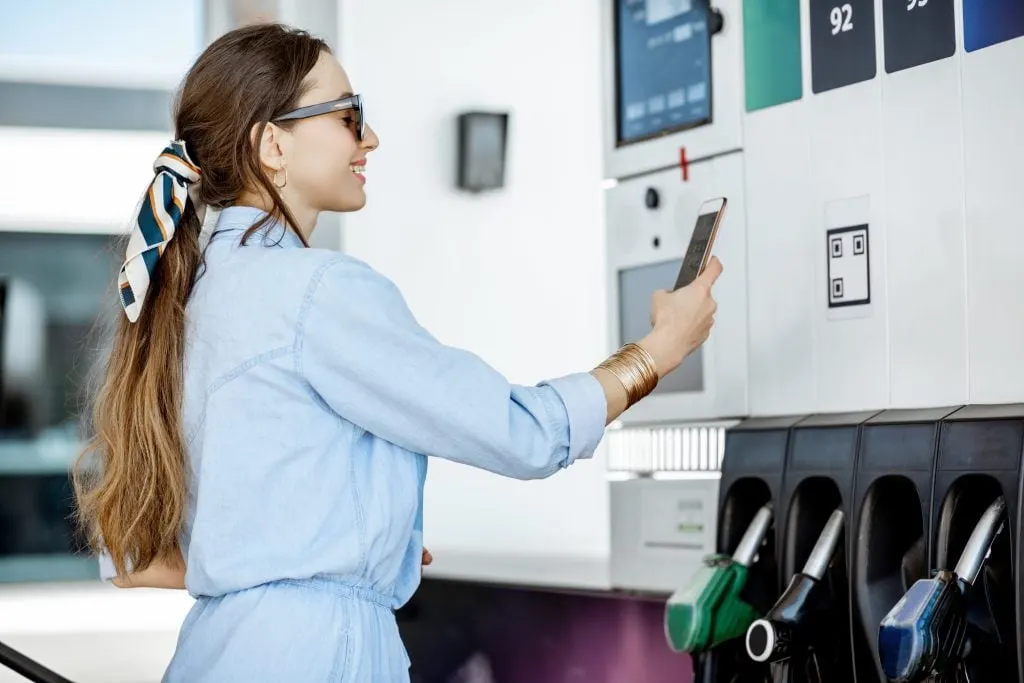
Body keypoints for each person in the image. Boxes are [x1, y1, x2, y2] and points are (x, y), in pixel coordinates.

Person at [72, 22, 722, 683]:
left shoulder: (183, 298)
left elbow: (130, 554)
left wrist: (326, 546)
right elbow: (524, 433)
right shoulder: (317, 291)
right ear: (272, 143)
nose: (371, 138)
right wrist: (658, 352)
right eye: (350, 116)